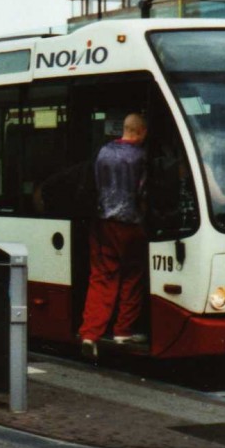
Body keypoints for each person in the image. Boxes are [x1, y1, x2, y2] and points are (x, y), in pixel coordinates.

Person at [80, 113, 149, 358]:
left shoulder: (103, 152)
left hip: (103, 224)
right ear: (140, 131)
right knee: (132, 276)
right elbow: (143, 193)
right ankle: (123, 330)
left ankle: (90, 334)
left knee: (101, 277)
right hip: (131, 225)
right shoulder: (141, 157)